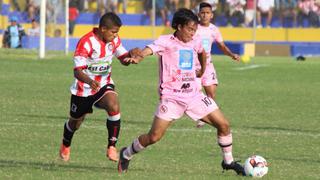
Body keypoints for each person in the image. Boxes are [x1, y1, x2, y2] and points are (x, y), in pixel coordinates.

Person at [117, 8, 245, 176]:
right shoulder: (166, 41)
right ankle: (126, 153)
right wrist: (138, 57)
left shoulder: (195, 41)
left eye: (195, 30)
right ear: (178, 27)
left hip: (194, 95)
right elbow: (148, 50)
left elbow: (202, 53)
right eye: (190, 29)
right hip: (171, 98)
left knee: (224, 125)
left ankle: (228, 162)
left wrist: (202, 70)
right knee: (154, 137)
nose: (193, 33)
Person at [59, 12, 142, 163]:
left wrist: (131, 56)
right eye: (113, 32)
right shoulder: (86, 42)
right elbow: (77, 71)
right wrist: (90, 82)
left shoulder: (114, 40)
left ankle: (111, 146)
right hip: (83, 90)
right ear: (103, 29)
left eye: (117, 32)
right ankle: (66, 143)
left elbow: (123, 58)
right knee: (75, 122)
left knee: (113, 105)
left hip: (104, 84)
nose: (115, 35)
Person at [195, 2, 240, 127]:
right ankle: (201, 115)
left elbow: (222, 46)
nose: (205, 15)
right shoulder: (193, 28)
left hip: (208, 66)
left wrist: (231, 55)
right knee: (195, 94)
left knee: (211, 94)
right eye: (202, 13)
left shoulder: (214, 29)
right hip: (194, 67)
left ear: (212, 15)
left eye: (207, 13)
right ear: (198, 14)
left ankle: (206, 116)